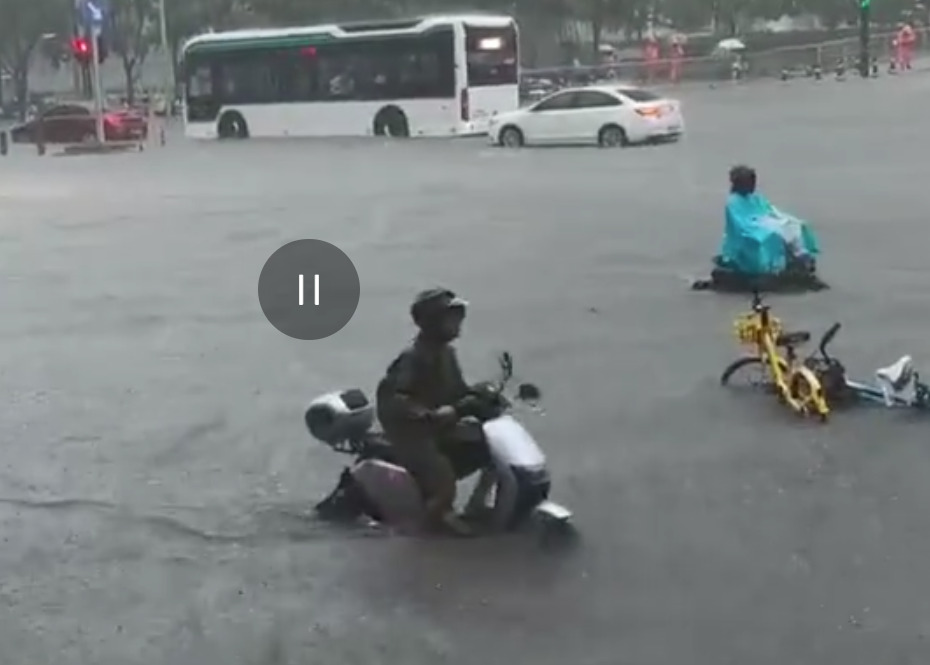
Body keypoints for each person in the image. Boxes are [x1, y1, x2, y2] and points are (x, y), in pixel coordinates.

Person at [376, 288, 484, 536]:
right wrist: (427, 414)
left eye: (458, 317)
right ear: (432, 322)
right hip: (412, 433)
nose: (458, 323)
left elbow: (457, 390)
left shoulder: (447, 354)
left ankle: (477, 504)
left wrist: (479, 396)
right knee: (441, 471)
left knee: (486, 443)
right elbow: (395, 398)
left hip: (439, 426)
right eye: (450, 318)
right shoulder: (413, 357)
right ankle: (430, 524)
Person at [720, 165, 819, 275]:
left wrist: (780, 218)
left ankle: (800, 255)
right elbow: (739, 223)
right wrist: (762, 223)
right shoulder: (733, 202)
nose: (754, 185)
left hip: (763, 220)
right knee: (776, 231)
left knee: (793, 225)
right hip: (752, 225)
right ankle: (779, 263)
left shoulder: (755, 197)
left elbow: (769, 210)